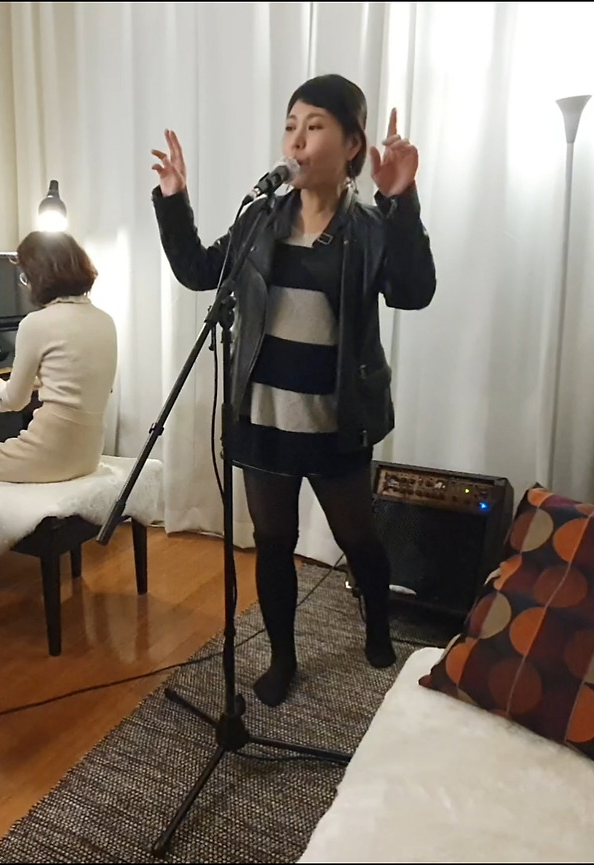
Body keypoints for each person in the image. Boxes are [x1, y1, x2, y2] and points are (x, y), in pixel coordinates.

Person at [150, 74, 436, 707]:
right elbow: (199, 271)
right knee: (273, 543)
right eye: (290, 126)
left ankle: (378, 628)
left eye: (314, 126)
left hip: (336, 420)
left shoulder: (370, 227)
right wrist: (174, 201)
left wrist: (402, 200)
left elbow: (414, 292)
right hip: (263, 418)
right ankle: (283, 658)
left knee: (358, 539)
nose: (296, 141)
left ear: (352, 144)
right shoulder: (261, 220)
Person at [0, 231, 118, 594]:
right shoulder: (104, 320)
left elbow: (14, 402)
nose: (23, 283)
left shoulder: (36, 324)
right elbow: (76, 378)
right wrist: (31, 382)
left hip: (51, 454)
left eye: (24, 275)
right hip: (88, 453)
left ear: (37, 275)